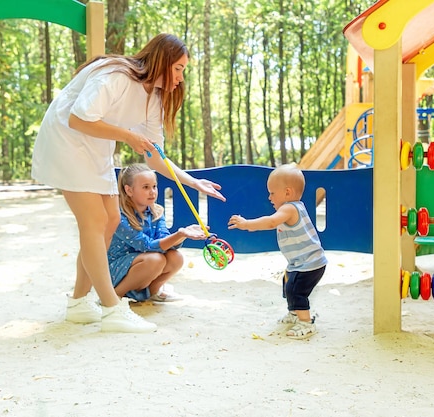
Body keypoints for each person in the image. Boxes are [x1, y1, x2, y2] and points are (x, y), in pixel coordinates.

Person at [31, 33, 225, 333]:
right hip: (66, 141)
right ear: (162, 61)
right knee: (94, 221)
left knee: (110, 220)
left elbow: (155, 156)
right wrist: (129, 136)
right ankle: (111, 309)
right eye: (178, 68)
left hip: (95, 148)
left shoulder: (154, 98)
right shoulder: (117, 76)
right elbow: (78, 120)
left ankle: (79, 303)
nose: (180, 77)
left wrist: (193, 182)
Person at [228, 164, 327, 339]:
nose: (269, 197)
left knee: (296, 290)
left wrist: (246, 224)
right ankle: (295, 313)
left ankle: (306, 322)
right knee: (288, 284)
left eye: (272, 193)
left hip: (309, 264)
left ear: (287, 193)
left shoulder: (289, 208)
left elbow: (271, 222)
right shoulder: (296, 206)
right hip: (300, 263)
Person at [108, 163, 206, 305]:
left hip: (142, 265)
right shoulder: (120, 216)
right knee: (155, 259)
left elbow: (163, 239)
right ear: (129, 190)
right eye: (146, 187)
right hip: (116, 270)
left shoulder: (156, 211)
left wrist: (183, 235)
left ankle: (152, 292)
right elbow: (145, 245)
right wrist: (179, 234)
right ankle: (115, 296)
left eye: (154, 186)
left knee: (175, 258)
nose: (152, 192)